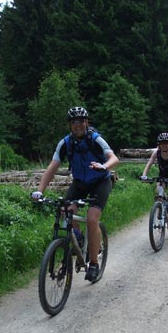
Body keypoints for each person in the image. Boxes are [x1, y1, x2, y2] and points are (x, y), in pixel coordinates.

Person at [31, 106, 119, 282]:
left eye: (81, 121)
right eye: (74, 122)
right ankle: (78, 239)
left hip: (101, 181)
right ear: (70, 125)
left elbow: (114, 158)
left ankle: (93, 263)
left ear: (86, 122)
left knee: (92, 219)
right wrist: (39, 191)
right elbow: (52, 167)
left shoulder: (95, 139)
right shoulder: (65, 143)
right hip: (80, 182)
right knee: (66, 210)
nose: (78, 125)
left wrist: (104, 166)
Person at [140, 132, 168, 228]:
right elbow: (149, 163)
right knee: (159, 194)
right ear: (159, 144)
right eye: (162, 143)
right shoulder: (156, 152)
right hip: (162, 176)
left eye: (166, 143)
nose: (164, 145)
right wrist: (144, 175)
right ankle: (160, 211)